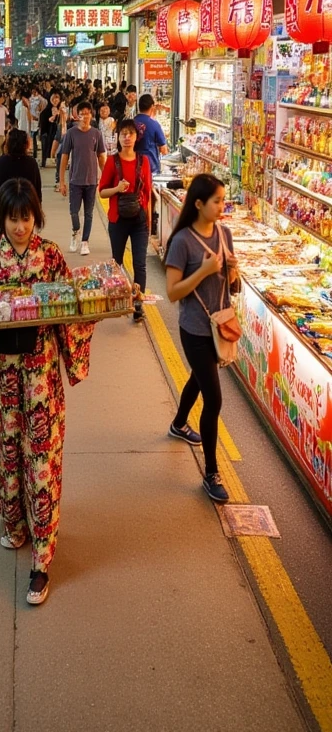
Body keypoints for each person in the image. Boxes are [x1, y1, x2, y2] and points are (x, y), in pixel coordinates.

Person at [0, 178, 95, 606]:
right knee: (7, 450)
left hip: (41, 377)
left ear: (36, 216)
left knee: (40, 458)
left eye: (26, 217)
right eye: (12, 218)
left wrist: (97, 308)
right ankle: (15, 525)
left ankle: (43, 558)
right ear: (1, 219)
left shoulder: (50, 256)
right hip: (1, 380)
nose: (19, 227)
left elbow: (70, 308)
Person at [164, 174, 239, 504]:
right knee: (215, 399)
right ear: (199, 204)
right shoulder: (182, 242)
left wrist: (233, 273)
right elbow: (172, 292)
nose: (222, 206)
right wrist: (205, 271)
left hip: (219, 326)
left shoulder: (225, 234)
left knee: (199, 376)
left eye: (223, 200)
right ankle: (211, 472)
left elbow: (232, 287)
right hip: (194, 329)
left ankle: (179, 423)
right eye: (217, 201)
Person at [99, 120, 152, 322]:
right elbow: (102, 191)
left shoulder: (144, 161)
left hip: (139, 219)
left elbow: (147, 192)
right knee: (117, 263)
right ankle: (117, 299)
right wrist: (117, 189)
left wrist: (148, 221)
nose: (127, 137)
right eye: (123, 134)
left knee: (140, 264)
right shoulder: (113, 161)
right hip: (118, 218)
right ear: (118, 138)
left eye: (130, 133)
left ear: (136, 137)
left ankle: (138, 306)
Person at [59, 100, 106, 256]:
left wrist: (106, 177)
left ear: (91, 115)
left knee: (89, 213)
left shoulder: (96, 134)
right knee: (74, 212)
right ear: (76, 115)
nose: (84, 116)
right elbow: (64, 157)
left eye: (87, 113)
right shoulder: (71, 134)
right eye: (82, 114)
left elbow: (101, 158)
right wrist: (62, 181)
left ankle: (85, 242)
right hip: (75, 180)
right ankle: (75, 232)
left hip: (91, 180)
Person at [134, 93, 169, 236]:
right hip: (151, 167)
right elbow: (164, 149)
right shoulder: (154, 124)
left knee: (137, 195)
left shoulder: (132, 122)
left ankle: (138, 222)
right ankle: (148, 226)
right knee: (150, 197)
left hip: (133, 165)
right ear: (152, 107)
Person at [0, 128, 42, 211]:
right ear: (26, 145)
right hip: (27, 209)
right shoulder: (31, 163)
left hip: (6, 208)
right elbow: (37, 191)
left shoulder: (1, 162)